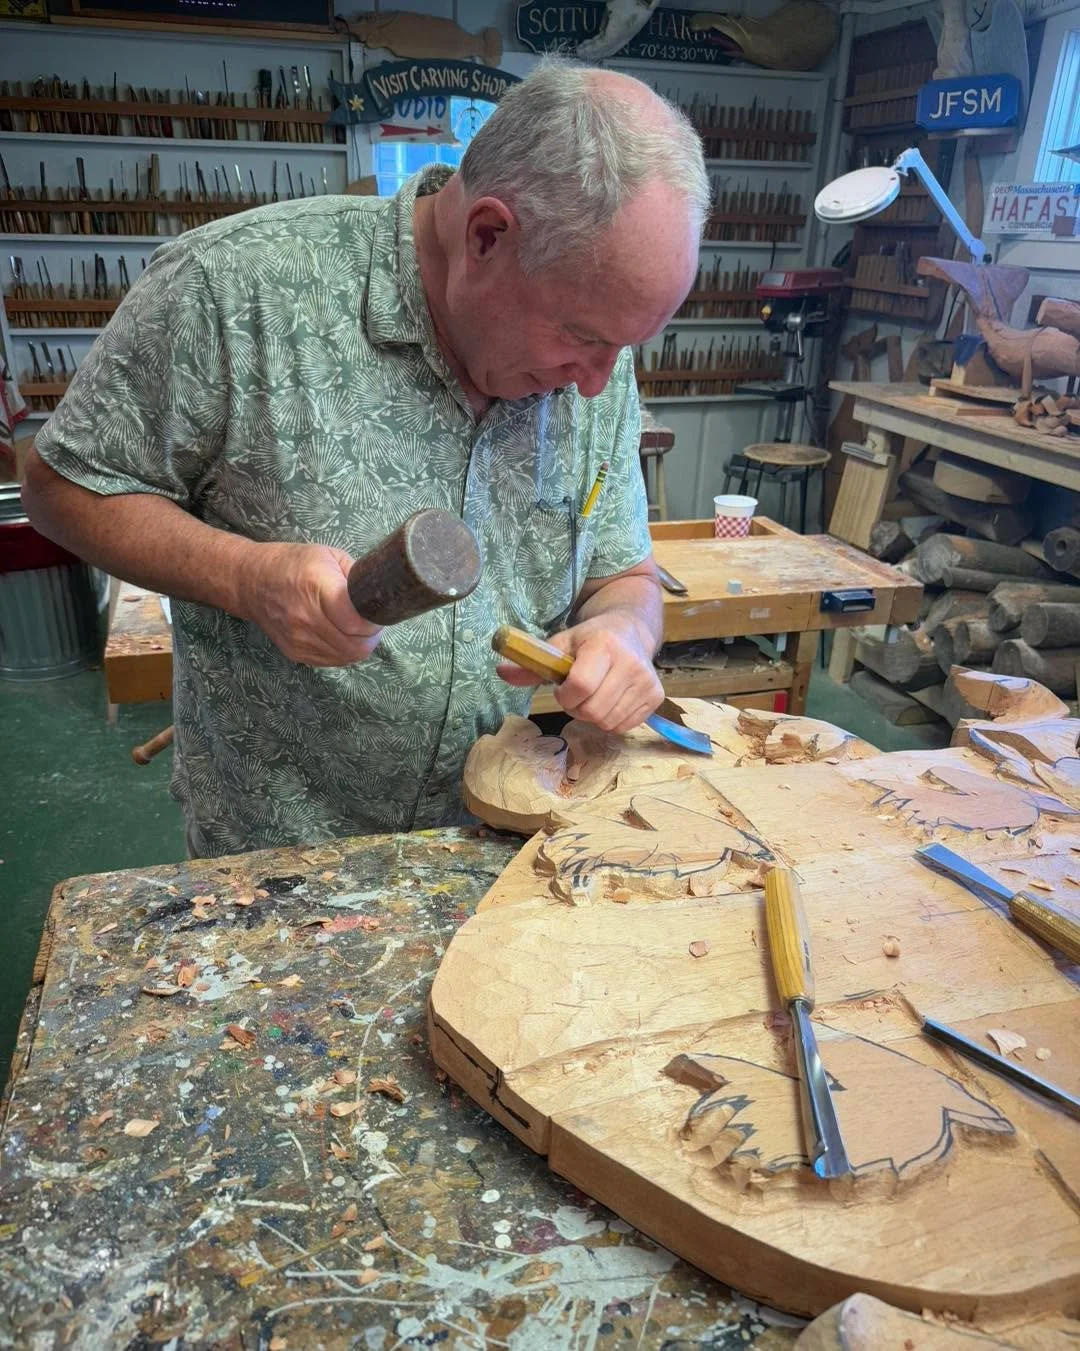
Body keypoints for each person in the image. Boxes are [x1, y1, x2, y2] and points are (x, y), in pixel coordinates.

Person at [22, 60, 709, 857]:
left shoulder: (597, 343)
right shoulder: (236, 289)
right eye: (584, 339)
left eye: (621, 350)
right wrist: (247, 578)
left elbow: (623, 570)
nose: (597, 384)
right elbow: (60, 484)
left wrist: (625, 631)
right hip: (286, 855)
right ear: (487, 236)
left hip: (510, 843)